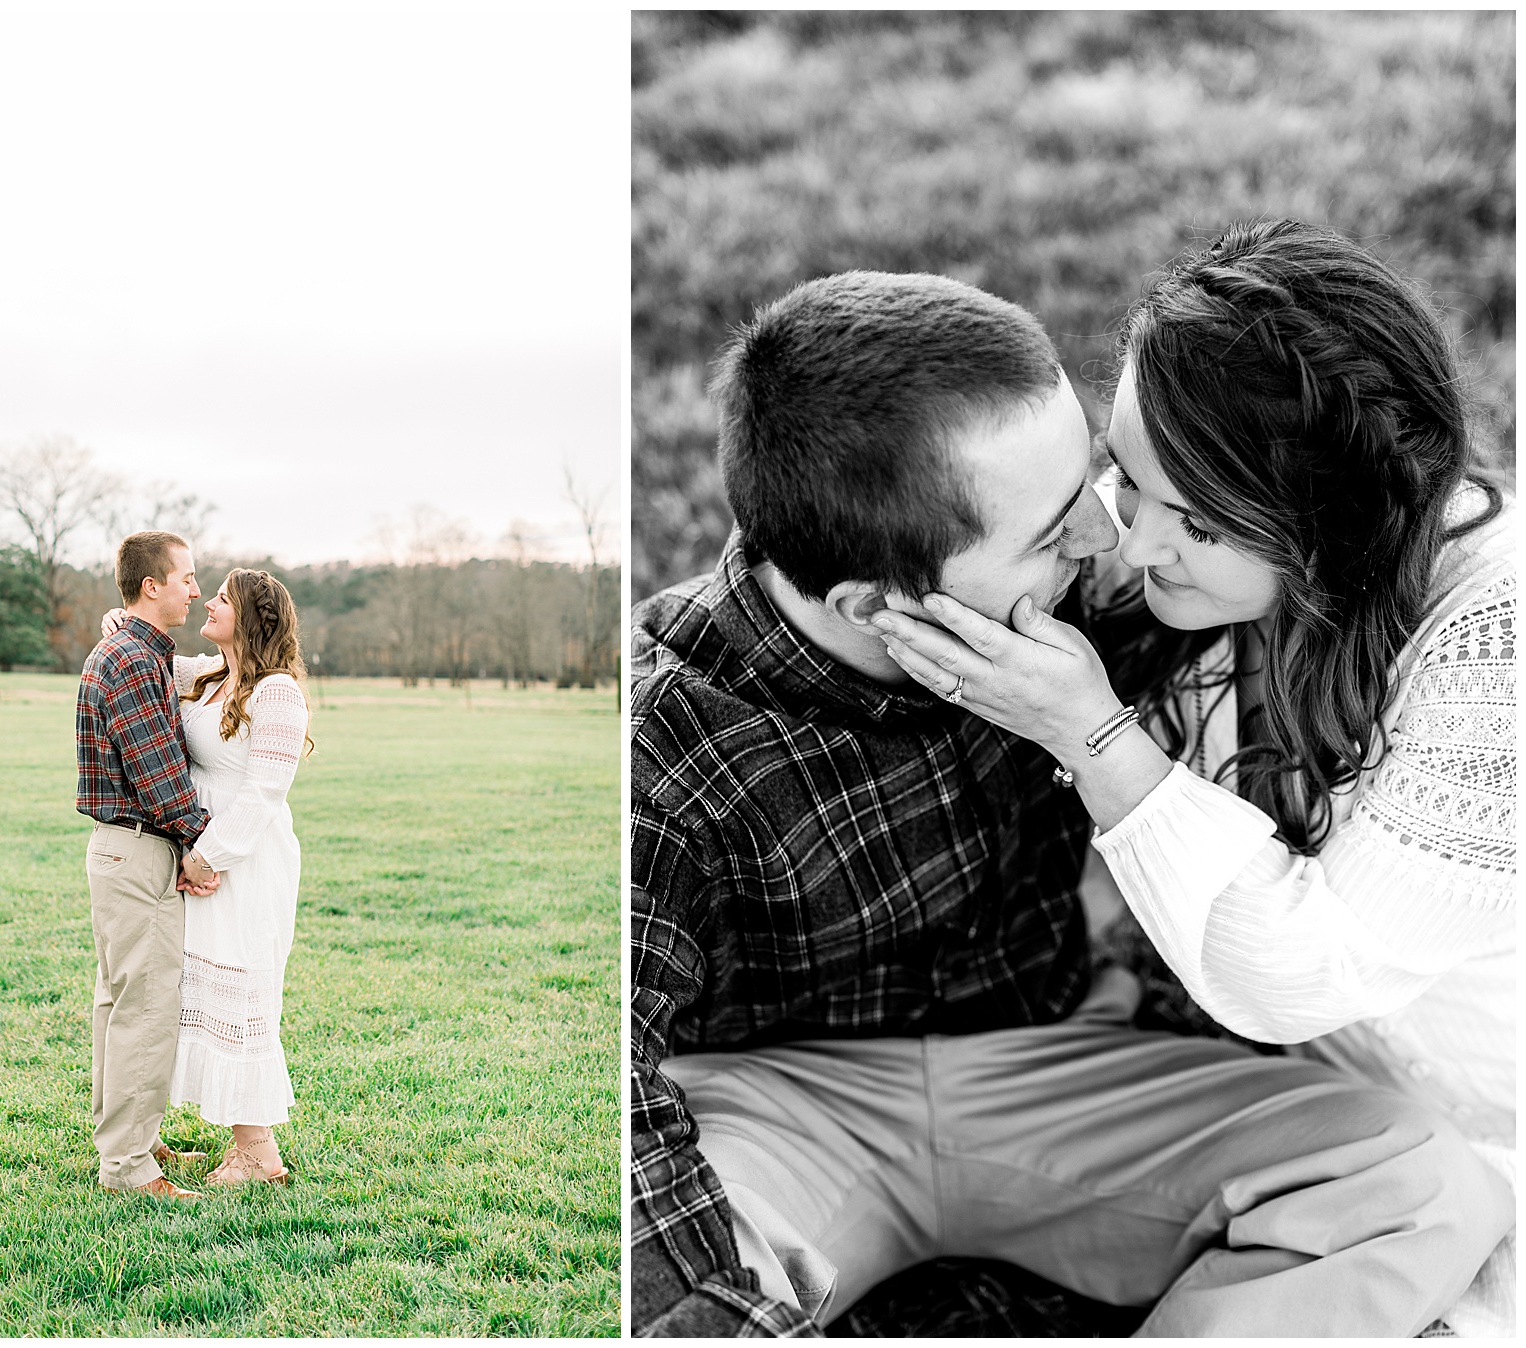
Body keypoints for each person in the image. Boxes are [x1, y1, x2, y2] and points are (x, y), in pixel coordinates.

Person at [630, 268, 1513, 1336]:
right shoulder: (659, 745)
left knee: (1424, 1181)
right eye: (1056, 534)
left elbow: (1295, 519)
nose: (1110, 547)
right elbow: (607, 1099)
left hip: (1058, 1065)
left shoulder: (1093, 595)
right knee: (676, 1298)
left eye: (1098, 486)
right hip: (784, 1106)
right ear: (875, 603)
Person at [875, 220, 1515, 1336]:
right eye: (1130, 476)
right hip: (1309, 1115)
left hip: (1475, 1150)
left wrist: (1093, 734)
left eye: (1201, 521)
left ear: (1335, 531)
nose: (1133, 546)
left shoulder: (1496, 650)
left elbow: (1304, 973)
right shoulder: (1203, 586)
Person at [104, 567, 312, 1186]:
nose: (207, 602)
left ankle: (257, 1152)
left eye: (221, 598)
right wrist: (120, 621)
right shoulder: (207, 677)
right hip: (198, 852)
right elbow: (145, 658)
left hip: (246, 861)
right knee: (194, 989)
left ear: (250, 615)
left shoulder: (277, 694)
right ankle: (163, 1132)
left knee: (245, 992)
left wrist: (207, 855)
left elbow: (264, 794)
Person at [76, 530, 219, 1200]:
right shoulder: (133, 659)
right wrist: (200, 842)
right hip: (138, 851)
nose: (196, 588)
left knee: (118, 1003)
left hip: (118, 850)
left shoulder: (135, 650)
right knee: (146, 1008)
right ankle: (130, 1168)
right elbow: (157, 770)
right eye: (187, 577)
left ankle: (133, 1140)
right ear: (151, 585)